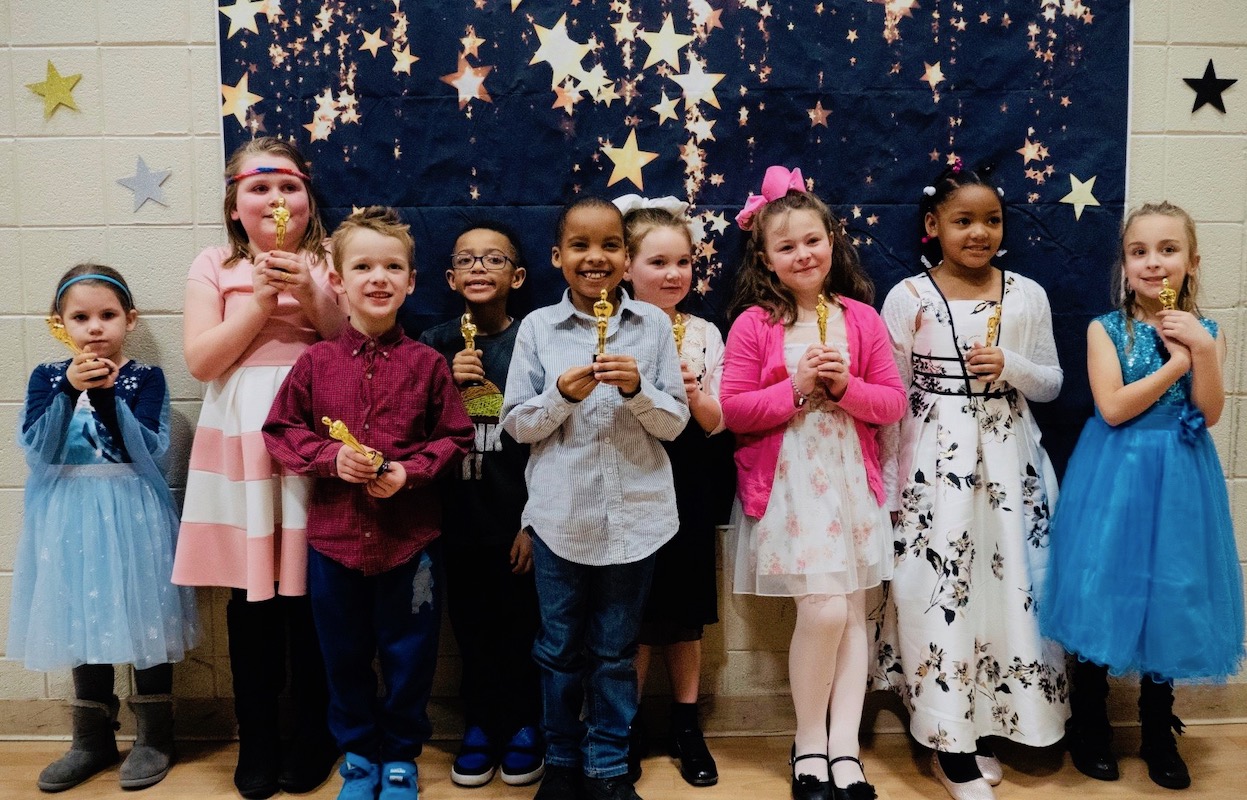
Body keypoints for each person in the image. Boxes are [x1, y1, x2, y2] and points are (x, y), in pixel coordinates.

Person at [263, 206, 474, 800]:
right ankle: (358, 754)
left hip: (412, 545)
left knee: (411, 655)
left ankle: (401, 755)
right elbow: (279, 431)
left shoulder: (429, 365)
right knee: (343, 654)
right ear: (337, 279)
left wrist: (410, 472)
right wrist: (331, 459)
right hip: (334, 544)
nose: (378, 278)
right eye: (362, 267)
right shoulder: (315, 363)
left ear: (411, 281)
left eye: (392, 267)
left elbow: (456, 438)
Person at [876, 161, 1067, 800]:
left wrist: (1010, 364)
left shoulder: (1027, 294)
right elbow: (893, 397)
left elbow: (1051, 382)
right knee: (940, 587)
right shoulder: (908, 296)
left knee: (1008, 587)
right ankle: (948, 739)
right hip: (936, 466)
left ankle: (993, 722)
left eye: (992, 220)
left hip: (1010, 463)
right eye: (963, 220)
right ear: (934, 226)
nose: (979, 232)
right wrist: (893, 485)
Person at [1040, 201, 1244, 791]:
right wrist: (1177, 364)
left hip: (1181, 478)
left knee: (1170, 589)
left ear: (1192, 262)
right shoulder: (1106, 329)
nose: (1153, 262)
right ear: (1125, 266)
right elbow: (1113, 407)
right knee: (1104, 582)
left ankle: (1158, 728)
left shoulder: (1209, 332)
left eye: (1168, 250)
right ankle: (1090, 722)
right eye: (1139, 252)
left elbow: (1209, 413)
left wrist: (1200, 351)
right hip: (1116, 472)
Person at [721, 166, 905, 800]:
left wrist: (845, 388)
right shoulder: (753, 324)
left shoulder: (862, 318)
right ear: (766, 260)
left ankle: (844, 749)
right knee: (823, 608)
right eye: (786, 246)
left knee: (852, 613)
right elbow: (734, 411)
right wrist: (796, 389)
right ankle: (807, 742)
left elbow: (892, 403)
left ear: (832, 241)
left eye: (812, 240)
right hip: (790, 487)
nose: (802, 254)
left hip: (851, 481)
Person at [171, 137, 344, 799]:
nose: (276, 199)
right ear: (234, 206)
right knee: (253, 600)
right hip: (242, 434)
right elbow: (203, 361)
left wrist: (311, 291)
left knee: (313, 594)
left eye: (289, 187)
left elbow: (351, 342)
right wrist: (260, 303)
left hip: (314, 430)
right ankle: (259, 736)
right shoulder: (213, 264)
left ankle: (314, 731)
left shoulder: (329, 260)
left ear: (308, 201)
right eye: (259, 188)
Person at [501, 196, 689, 800]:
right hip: (560, 520)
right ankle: (560, 759)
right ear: (557, 256)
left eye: (610, 245)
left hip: (637, 520)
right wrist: (560, 395)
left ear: (627, 258)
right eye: (580, 245)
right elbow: (516, 427)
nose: (595, 257)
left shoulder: (652, 325)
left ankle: (607, 764)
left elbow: (675, 425)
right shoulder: (538, 328)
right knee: (558, 649)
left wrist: (638, 391)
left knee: (614, 652)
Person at [7, 265, 199, 792]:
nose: (95, 327)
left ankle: (156, 736)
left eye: (107, 315)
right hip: (67, 514)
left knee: (145, 612)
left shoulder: (146, 378)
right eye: (80, 317)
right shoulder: (46, 377)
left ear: (129, 320)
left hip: (132, 509)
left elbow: (151, 450)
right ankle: (90, 739)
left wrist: (110, 397)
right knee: (80, 615)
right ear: (59, 323)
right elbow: (38, 451)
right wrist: (69, 392)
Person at [418, 222, 544, 788]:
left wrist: (534, 523)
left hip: (516, 520)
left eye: (493, 259)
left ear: (517, 276)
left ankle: (523, 723)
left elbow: (552, 439)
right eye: (466, 259)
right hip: (456, 520)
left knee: (522, 628)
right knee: (470, 631)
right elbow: (408, 426)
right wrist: (446, 384)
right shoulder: (433, 342)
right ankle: (480, 724)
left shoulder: (533, 339)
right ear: (449, 277)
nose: (478, 267)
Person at [612, 194, 725, 788]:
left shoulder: (704, 332)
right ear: (626, 267)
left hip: (689, 479)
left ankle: (686, 723)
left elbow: (718, 422)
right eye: (657, 262)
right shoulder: (611, 326)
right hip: (629, 474)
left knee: (685, 614)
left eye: (683, 261)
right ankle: (625, 726)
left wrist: (694, 393)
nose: (674, 273)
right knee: (631, 612)